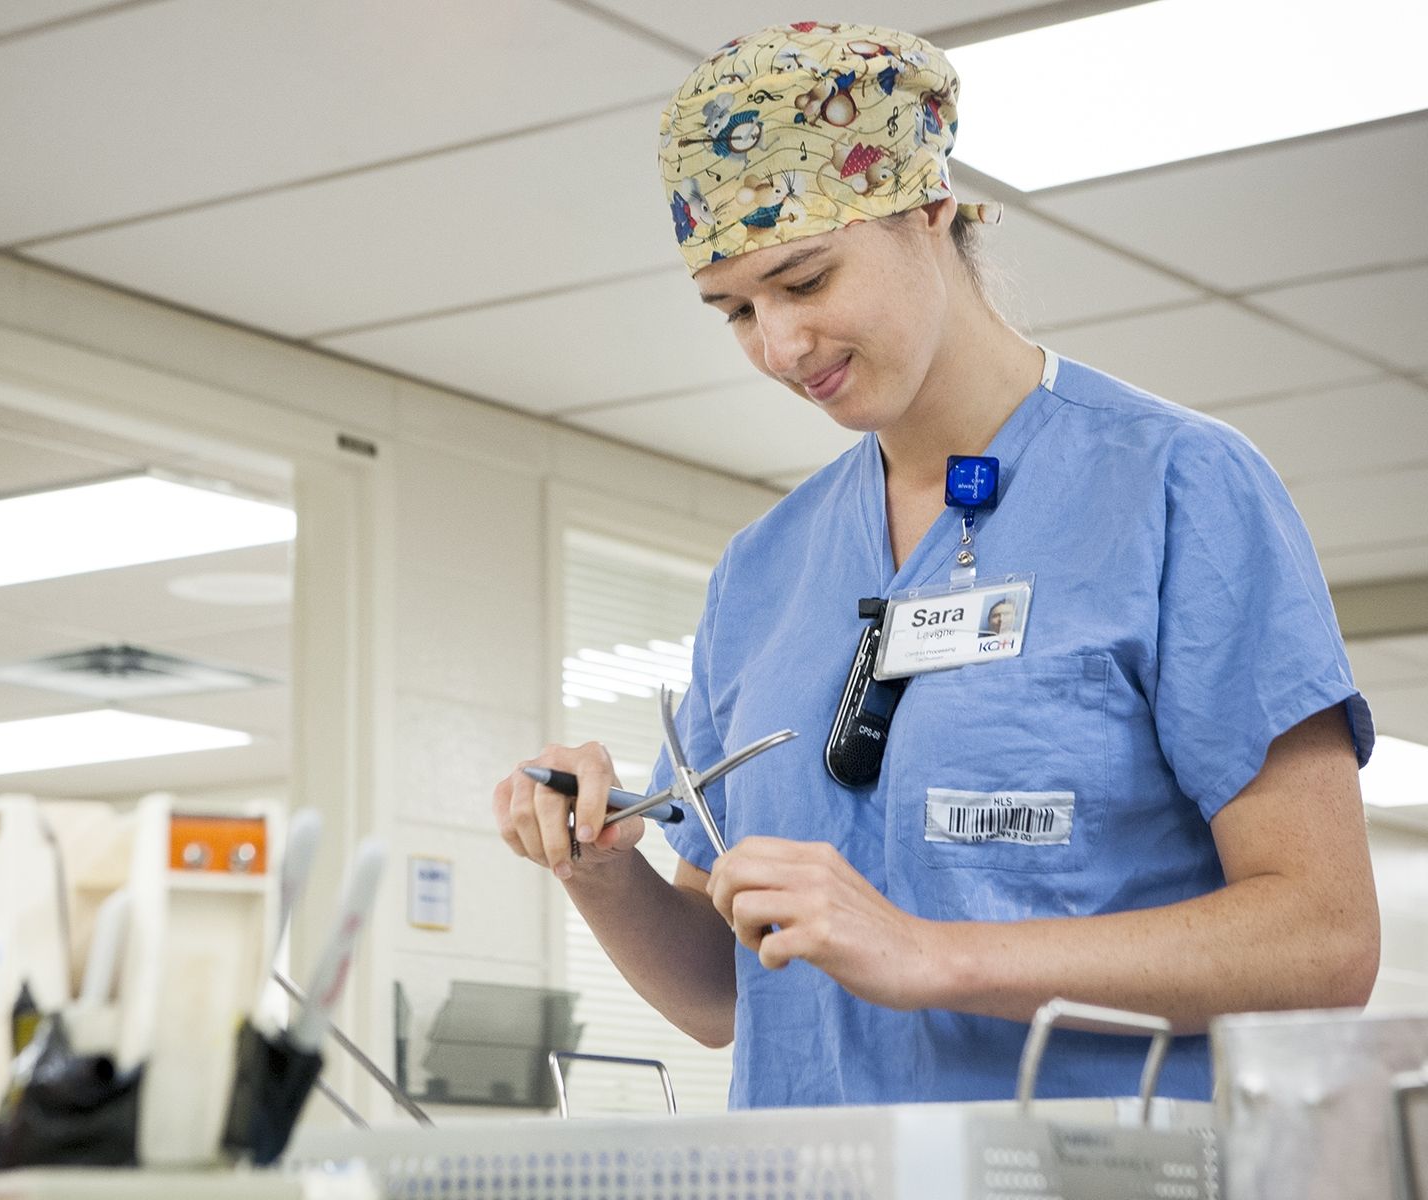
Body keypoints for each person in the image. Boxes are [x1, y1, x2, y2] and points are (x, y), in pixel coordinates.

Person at [491, 21, 1378, 1108]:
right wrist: (600, 869)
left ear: (929, 208)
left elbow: (1323, 942)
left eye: (804, 280)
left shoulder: (1175, 488)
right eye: (735, 311)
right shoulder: (765, 572)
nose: (777, 346)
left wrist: (934, 954)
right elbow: (728, 994)